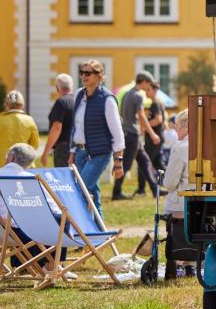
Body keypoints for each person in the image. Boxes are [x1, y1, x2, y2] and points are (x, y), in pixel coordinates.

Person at [0, 143, 64, 268]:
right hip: (19, 231)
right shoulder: (30, 179)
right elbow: (54, 208)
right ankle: (52, 265)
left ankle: (23, 264)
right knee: (59, 219)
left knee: (28, 220)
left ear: (11, 157)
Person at [69, 60, 125, 217]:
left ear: (99, 76)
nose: (83, 76)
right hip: (80, 152)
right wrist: (72, 151)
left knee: (82, 190)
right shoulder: (79, 95)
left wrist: (118, 161)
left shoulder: (107, 99)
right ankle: (100, 233)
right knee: (93, 193)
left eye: (88, 73)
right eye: (82, 72)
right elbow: (76, 126)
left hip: (99, 153)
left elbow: (117, 133)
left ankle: (83, 230)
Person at [112, 71, 160, 201]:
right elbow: (141, 116)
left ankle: (156, 190)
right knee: (126, 164)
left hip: (129, 133)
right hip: (132, 135)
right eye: (148, 84)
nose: (149, 87)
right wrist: (152, 133)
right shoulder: (138, 95)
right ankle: (116, 192)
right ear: (143, 82)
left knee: (145, 162)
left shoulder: (127, 94)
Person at [162, 109, 197, 280]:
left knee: (171, 209)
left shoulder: (180, 148)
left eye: (177, 127)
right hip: (202, 205)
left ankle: (176, 263)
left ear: (186, 127)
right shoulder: (206, 145)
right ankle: (191, 265)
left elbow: (169, 183)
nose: (176, 131)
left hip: (180, 206)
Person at [0, 91, 40, 169]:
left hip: (3, 163)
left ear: (6, 105)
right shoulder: (29, 120)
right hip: (25, 164)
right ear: (22, 105)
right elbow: (35, 144)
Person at [40, 73, 76, 167]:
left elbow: (56, 128)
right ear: (72, 86)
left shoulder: (61, 102)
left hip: (64, 149)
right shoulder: (78, 100)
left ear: (57, 88)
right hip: (78, 148)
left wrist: (45, 152)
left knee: (63, 179)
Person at [143, 81, 167, 176]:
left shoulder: (155, 104)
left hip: (154, 139)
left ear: (155, 90)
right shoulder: (158, 103)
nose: (146, 92)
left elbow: (158, 120)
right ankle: (171, 182)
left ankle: (142, 187)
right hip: (157, 137)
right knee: (158, 164)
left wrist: (146, 124)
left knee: (144, 161)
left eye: (148, 90)